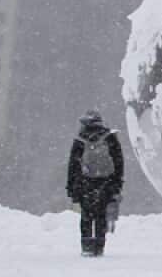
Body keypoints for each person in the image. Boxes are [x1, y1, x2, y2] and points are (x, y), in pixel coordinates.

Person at [65, 110, 124, 257]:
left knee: (86, 215)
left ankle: (86, 246)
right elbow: (118, 161)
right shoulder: (110, 137)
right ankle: (99, 246)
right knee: (101, 215)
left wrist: (71, 186)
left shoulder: (80, 138)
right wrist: (117, 182)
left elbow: (73, 164)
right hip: (106, 181)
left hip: (85, 183)